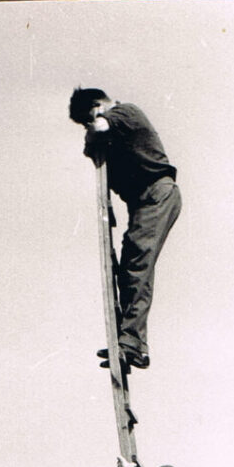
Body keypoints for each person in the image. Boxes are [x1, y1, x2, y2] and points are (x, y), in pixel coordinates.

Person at [69, 87, 181, 371]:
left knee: (137, 266)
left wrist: (92, 129)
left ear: (98, 105)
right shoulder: (113, 129)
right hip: (142, 203)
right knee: (132, 267)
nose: (87, 125)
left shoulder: (124, 112)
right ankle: (131, 342)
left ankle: (132, 343)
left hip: (156, 194)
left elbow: (99, 126)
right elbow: (91, 147)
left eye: (86, 118)